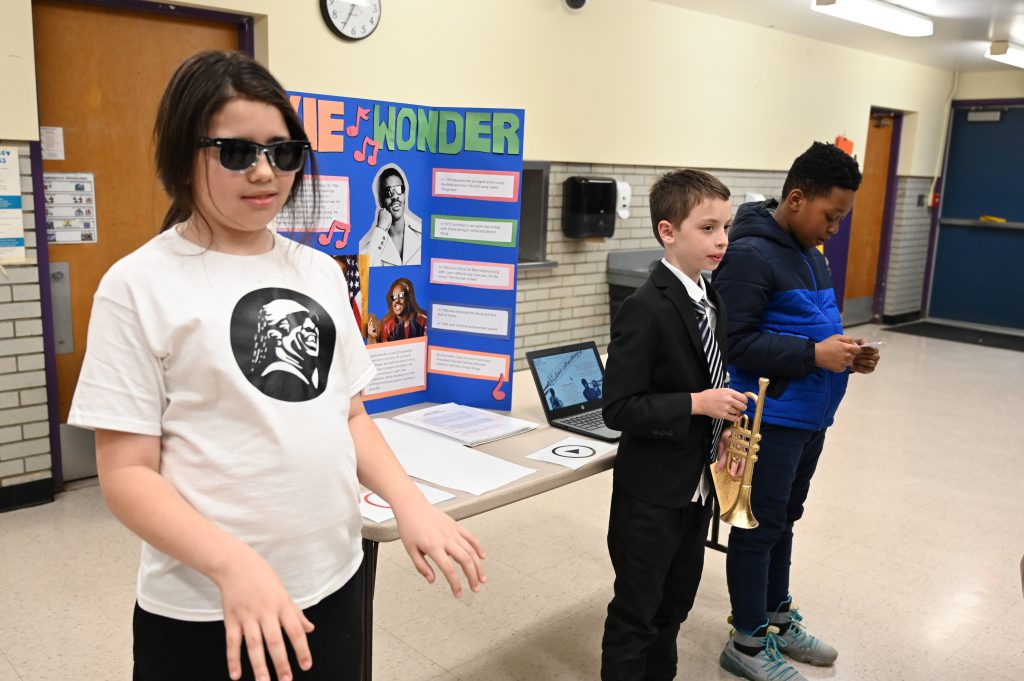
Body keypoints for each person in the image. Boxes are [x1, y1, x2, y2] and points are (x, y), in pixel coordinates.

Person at [67, 50, 485, 681]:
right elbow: (126, 474)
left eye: (283, 152)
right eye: (236, 152)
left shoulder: (316, 270)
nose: (264, 172)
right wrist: (233, 564)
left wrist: (409, 502)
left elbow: (348, 414)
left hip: (333, 576)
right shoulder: (137, 285)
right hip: (207, 604)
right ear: (185, 155)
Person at [712, 142, 879, 681]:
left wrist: (845, 353)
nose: (834, 228)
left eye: (841, 218)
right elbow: (736, 343)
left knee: (785, 519)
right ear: (797, 198)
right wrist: (814, 356)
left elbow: (809, 326)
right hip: (767, 418)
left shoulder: (809, 252)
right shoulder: (748, 254)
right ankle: (747, 642)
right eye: (831, 216)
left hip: (808, 415)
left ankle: (776, 617)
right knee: (757, 525)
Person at [600, 169, 749, 681]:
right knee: (636, 616)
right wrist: (696, 405)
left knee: (674, 608)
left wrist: (724, 423)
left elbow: (709, 377)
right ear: (668, 232)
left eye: (726, 227)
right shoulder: (645, 308)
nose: (722, 240)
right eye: (708, 228)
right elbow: (618, 408)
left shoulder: (713, 301)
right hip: (651, 497)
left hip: (696, 491)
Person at [358, 164, 422, 266]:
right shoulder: (371, 244)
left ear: (404, 195)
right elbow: (364, 270)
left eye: (399, 189)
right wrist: (380, 230)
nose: (395, 196)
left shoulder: (421, 233)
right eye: (388, 192)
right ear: (380, 201)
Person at [378, 278, 427, 342]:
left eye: (400, 296)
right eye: (394, 297)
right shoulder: (386, 327)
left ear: (408, 298)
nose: (397, 301)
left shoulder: (423, 321)